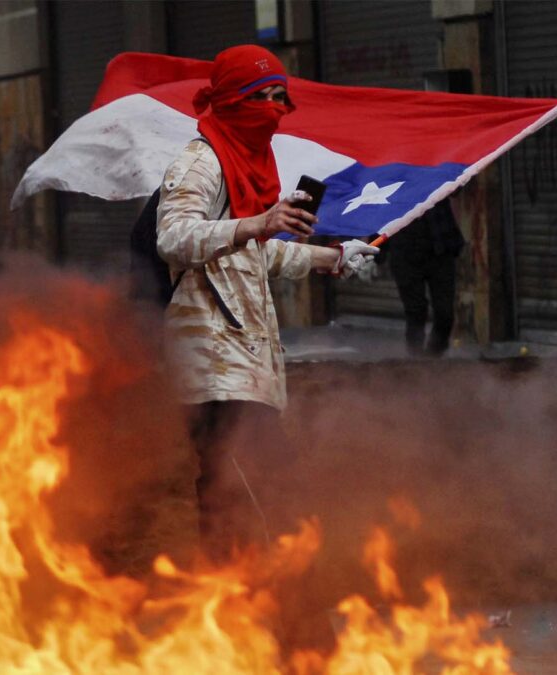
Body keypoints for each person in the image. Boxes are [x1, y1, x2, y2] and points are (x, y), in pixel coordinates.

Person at [155, 45, 378, 560]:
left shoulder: (247, 163)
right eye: (264, 96)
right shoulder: (201, 161)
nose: (276, 109)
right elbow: (175, 238)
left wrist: (333, 258)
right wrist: (260, 222)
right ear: (233, 100)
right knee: (264, 493)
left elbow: (253, 254)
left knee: (235, 496)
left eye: (283, 97)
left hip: (244, 364)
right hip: (211, 365)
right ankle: (271, 610)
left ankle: (237, 612)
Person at [387, 197, 464, 356]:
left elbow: (457, 184)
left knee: (445, 313)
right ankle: (417, 363)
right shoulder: (390, 177)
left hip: (439, 249)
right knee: (415, 311)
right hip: (405, 253)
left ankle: (433, 358)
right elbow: (376, 209)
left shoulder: (434, 174)